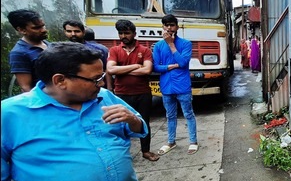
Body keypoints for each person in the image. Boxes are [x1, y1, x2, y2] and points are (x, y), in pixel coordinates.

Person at [1, 42, 148, 181]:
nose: (102, 84)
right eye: (95, 79)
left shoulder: (104, 97)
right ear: (60, 81)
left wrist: (133, 120)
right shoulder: (10, 115)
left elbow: (138, 129)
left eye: (102, 77)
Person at [107, 19, 159, 162]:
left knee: (144, 122)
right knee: (120, 124)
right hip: (122, 94)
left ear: (134, 34)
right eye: (121, 33)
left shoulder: (145, 50)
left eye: (127, 33)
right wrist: (136, 66)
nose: (124, 36)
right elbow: (110, 69)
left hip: (142, 93)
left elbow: (147, 70)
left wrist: (121, 71)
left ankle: (146, 151)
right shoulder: (115, 50)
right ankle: (122, 154)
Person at [152, 14, 198, 155]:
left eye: (172, 25)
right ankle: (171, 141)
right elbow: (155, 67)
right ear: (163, 27)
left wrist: (171, 45)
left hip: (182, 86)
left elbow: (183, 63)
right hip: (166, 86)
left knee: (188, 114)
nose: (169, 28)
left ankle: (193, 141)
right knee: (170, 115)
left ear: (177, 27)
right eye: (166, 25)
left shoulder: (185, 44)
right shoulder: (158, 46)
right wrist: (171, 66)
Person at [63, 20, 113, 90]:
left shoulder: (98, 49)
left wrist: (109, 88)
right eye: (69, 31)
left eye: (77, 31)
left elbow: (106, 70)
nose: (73, 34)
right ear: (65, 32)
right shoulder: (61, 51)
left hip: (95, 87)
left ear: (83, 32)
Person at [7, 9, 50, 92]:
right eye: (37, 28)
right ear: (22, 30)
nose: (43, 30)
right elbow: (26, 88)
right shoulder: (19, 53)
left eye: (43, 26)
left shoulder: (48, 44)